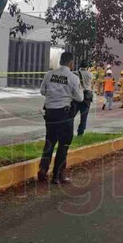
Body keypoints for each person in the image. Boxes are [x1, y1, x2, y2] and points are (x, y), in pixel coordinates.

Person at [39, 52, 84, 184]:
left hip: (50, 114)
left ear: (60, 62)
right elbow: (80, 98)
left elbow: (42, 91)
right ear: (71, 63)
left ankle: (43, 169)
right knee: (63, 145)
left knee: (49, 142)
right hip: (64, 115)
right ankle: (57, 176)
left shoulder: (49, 74)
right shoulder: (73, 77)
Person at [75, 61, 93, 136]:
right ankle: (80, 132)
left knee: (71, 115)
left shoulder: (75, 73)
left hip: (77, 96)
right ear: (87, 67)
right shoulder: (90, 74)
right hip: (86, 97)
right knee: (84, 117)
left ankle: (66, 130)